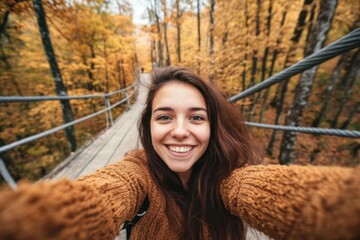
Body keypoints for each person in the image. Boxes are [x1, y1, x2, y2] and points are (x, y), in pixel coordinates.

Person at [0, 66, 359, 240]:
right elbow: (101, 194)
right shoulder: (136, 174)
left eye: (197, 117)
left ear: (213, 127)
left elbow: (282, 192)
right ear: (148, 127)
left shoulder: (233, 176)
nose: (180, 130)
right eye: (165, 116)